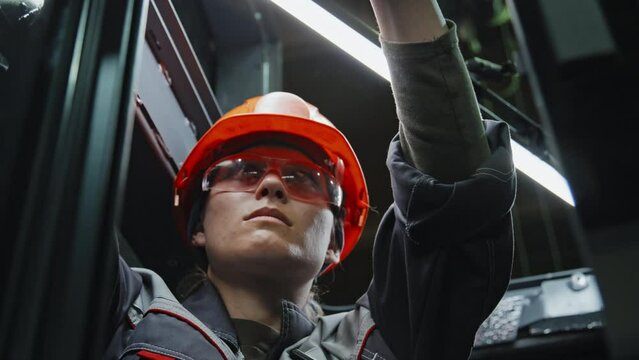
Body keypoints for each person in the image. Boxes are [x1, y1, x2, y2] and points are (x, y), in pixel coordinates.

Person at [104, 1, 516, 359]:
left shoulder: (380, 343)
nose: (272, 186)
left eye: (303, 178)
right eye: (245, 170)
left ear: (334, 244)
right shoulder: (125, 312)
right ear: (198, 227)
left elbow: (453, 189)